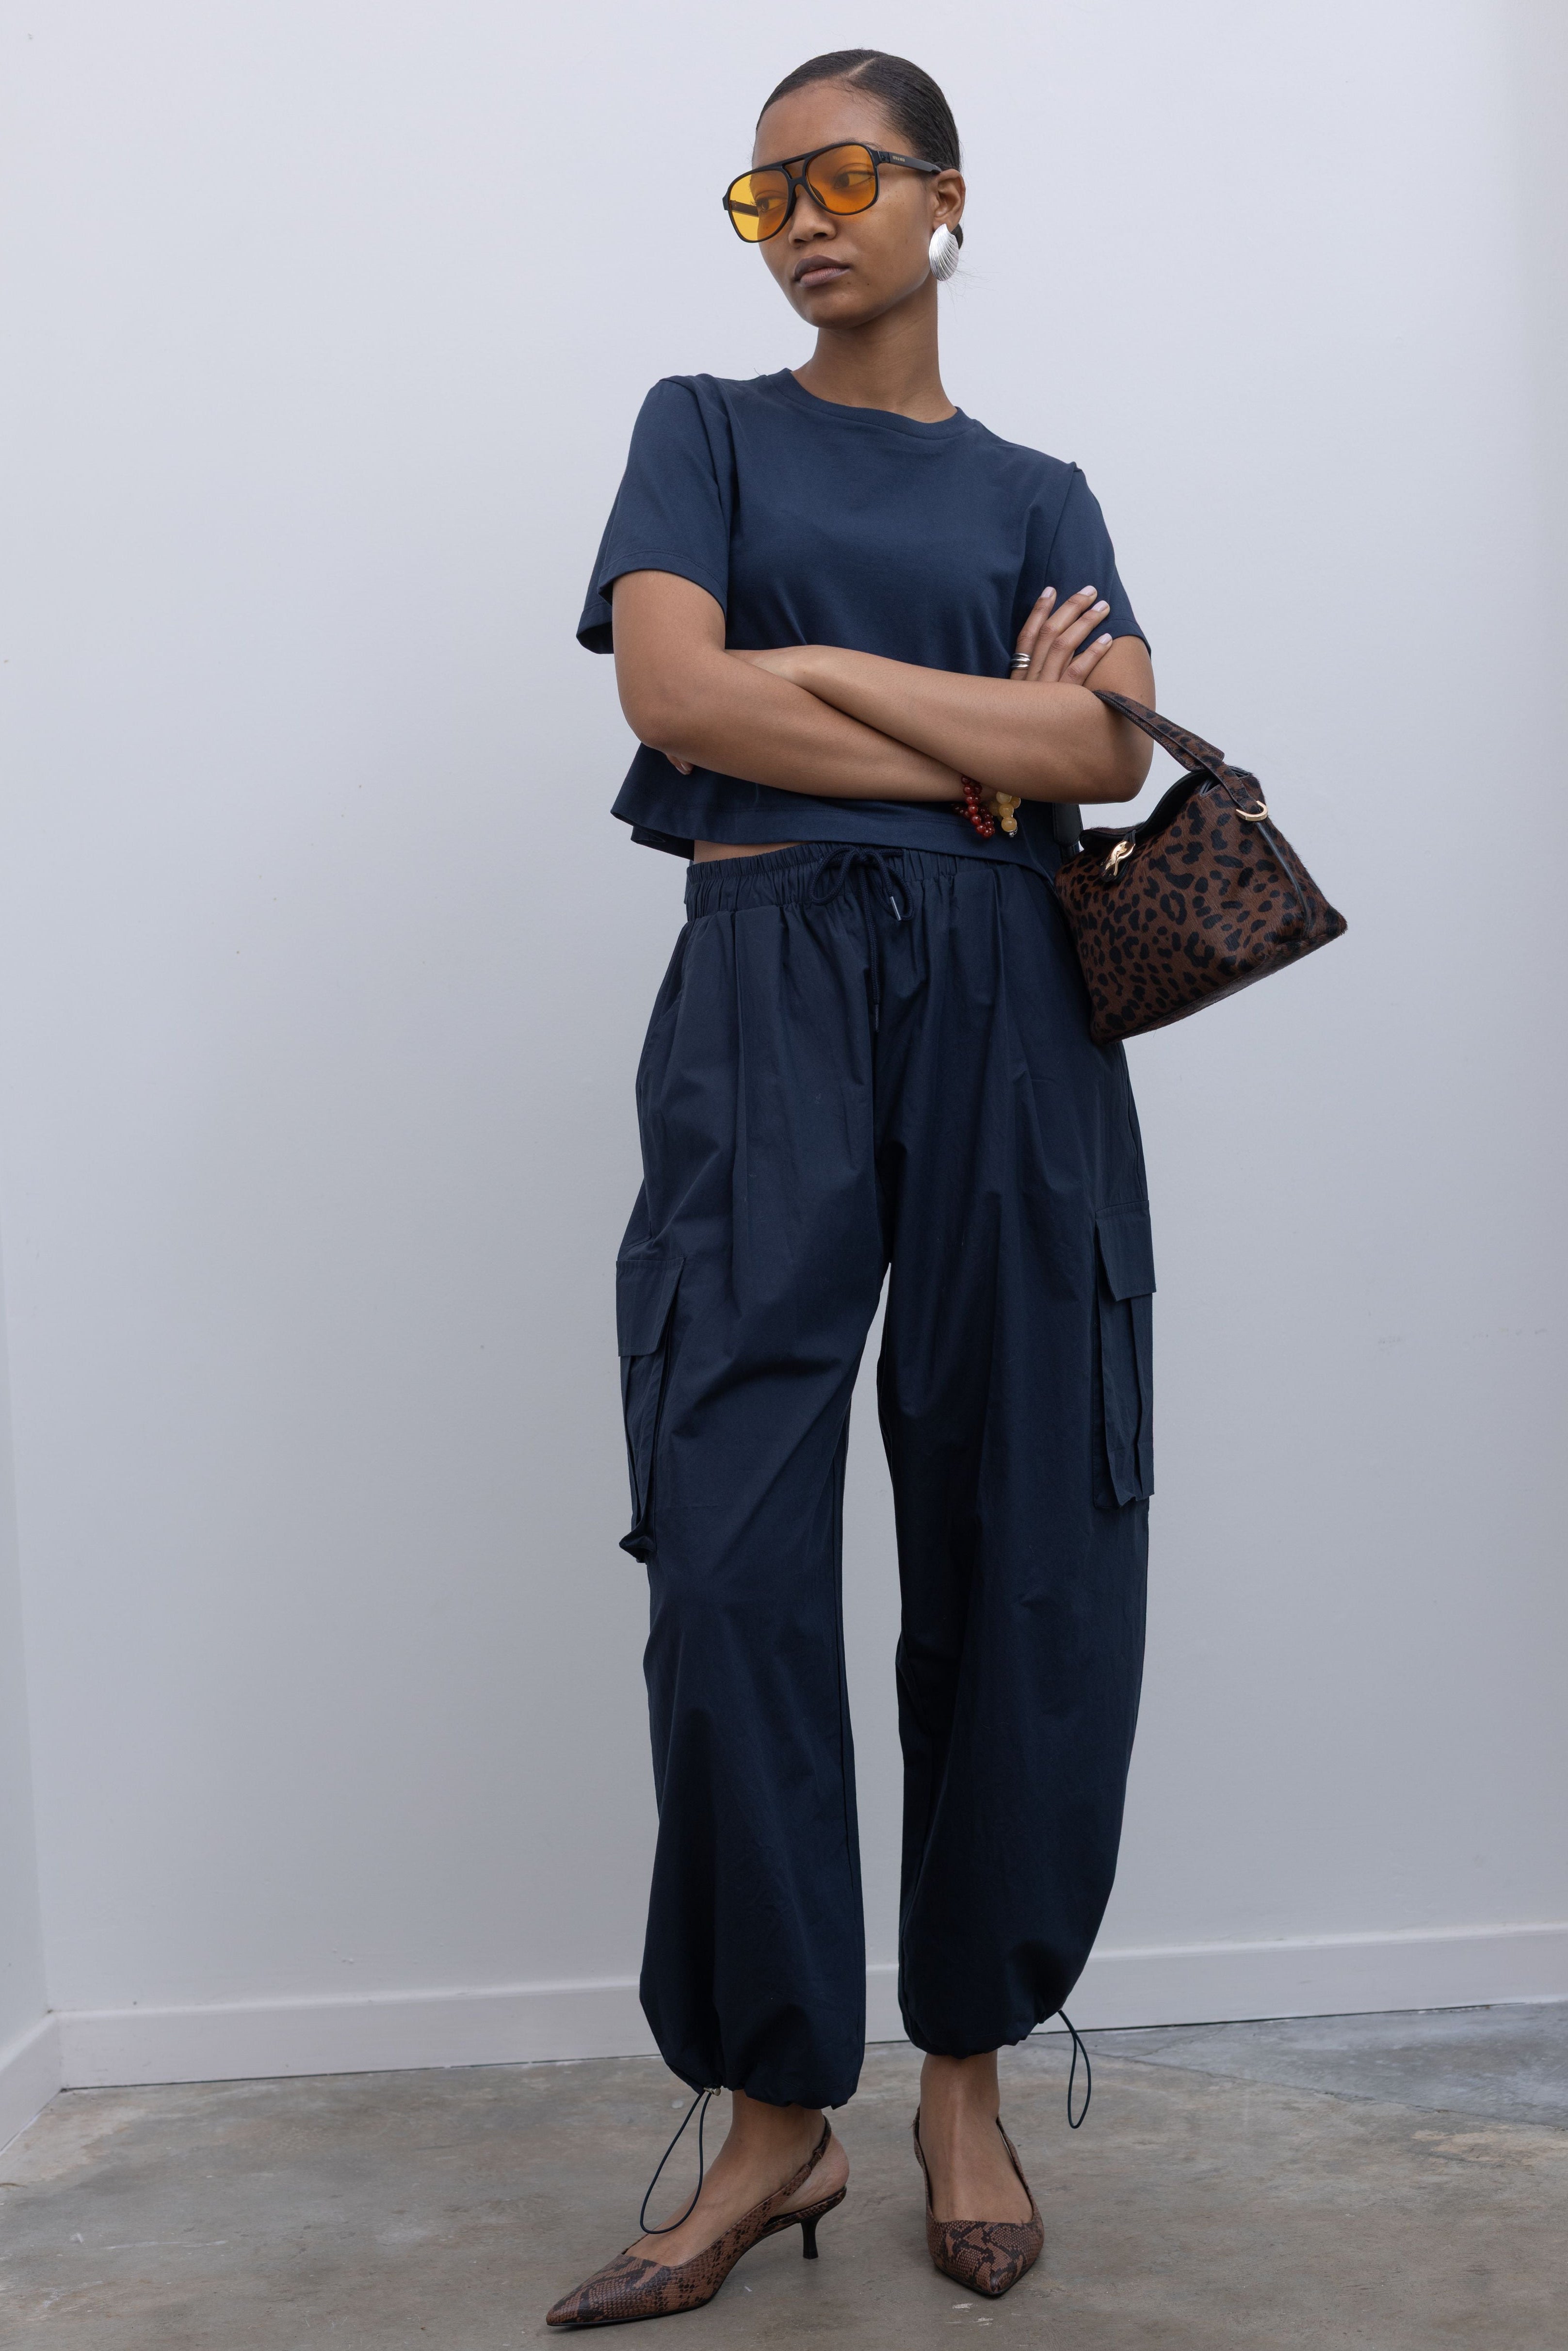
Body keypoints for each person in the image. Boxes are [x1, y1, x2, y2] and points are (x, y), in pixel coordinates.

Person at [549, 48, 1158, 2328]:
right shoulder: (698, 425)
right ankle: (773, 2119)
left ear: (941, 201)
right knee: (724, 1543)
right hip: (763, 986)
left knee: (1015, 1524)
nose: (798, 220)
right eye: (760, 191)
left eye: (839, 177)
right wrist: (936, 713)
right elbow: (681, 705)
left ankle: (965, 2079)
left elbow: (1104, 749)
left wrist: (813, 662)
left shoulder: (1041, 487)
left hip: (1013, 1003)